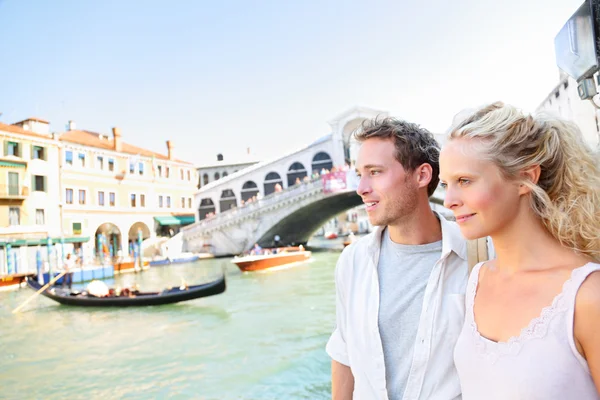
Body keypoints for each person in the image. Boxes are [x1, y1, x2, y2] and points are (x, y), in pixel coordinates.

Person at [439, 102, 600, 399]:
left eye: (464, 181)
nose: (449, 200)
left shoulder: (588, 295)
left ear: (526, 178)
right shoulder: (478, 278)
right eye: (445, 184)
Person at [327, 117, 472, 399]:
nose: (361, 188)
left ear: (421, 175)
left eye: (375, 172)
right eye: (360, 174)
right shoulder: (352, 261)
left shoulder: (478, 253)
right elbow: (343, 354)